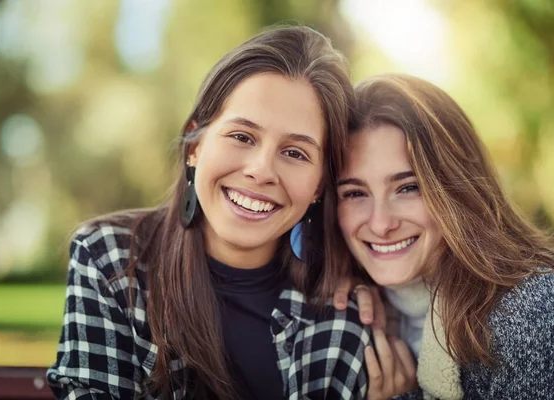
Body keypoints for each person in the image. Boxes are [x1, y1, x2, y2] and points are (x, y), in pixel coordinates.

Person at [47, 26, 372, 400]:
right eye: (242, 137)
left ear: (318, 185)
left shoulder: (344, 308)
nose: (262, 170)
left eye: (295, 153)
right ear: (195, 145)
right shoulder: (110, 262)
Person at [334, 73, 554, 399]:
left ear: (456, 188)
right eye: (354, 193)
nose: (380, 224)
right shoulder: (340, 314)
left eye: (408, 188)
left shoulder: (533, 315)